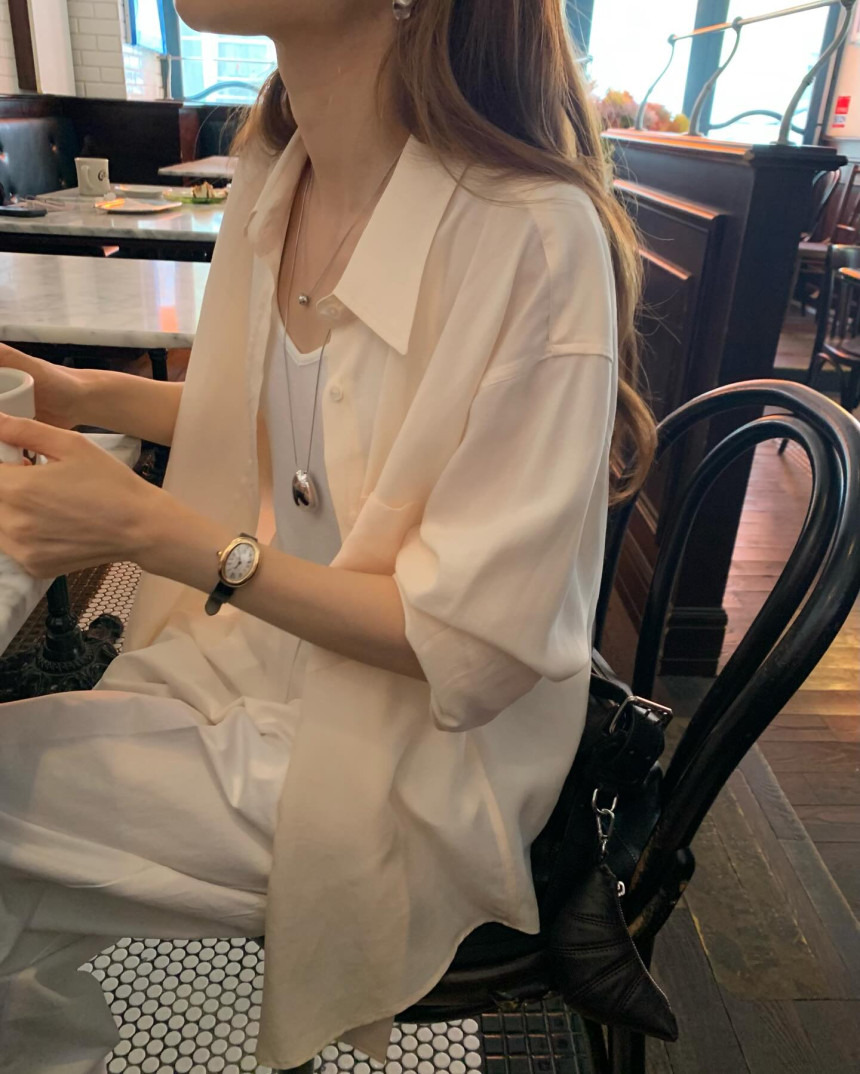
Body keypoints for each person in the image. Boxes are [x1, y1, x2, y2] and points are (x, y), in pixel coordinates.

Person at [0, 1, 655, 1071]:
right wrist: (75, 393)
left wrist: (160, 536)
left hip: (432, 753)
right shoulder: (282, 167)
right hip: (284, 652)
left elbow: (473, 648)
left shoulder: (531, 235)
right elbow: (287, 412)